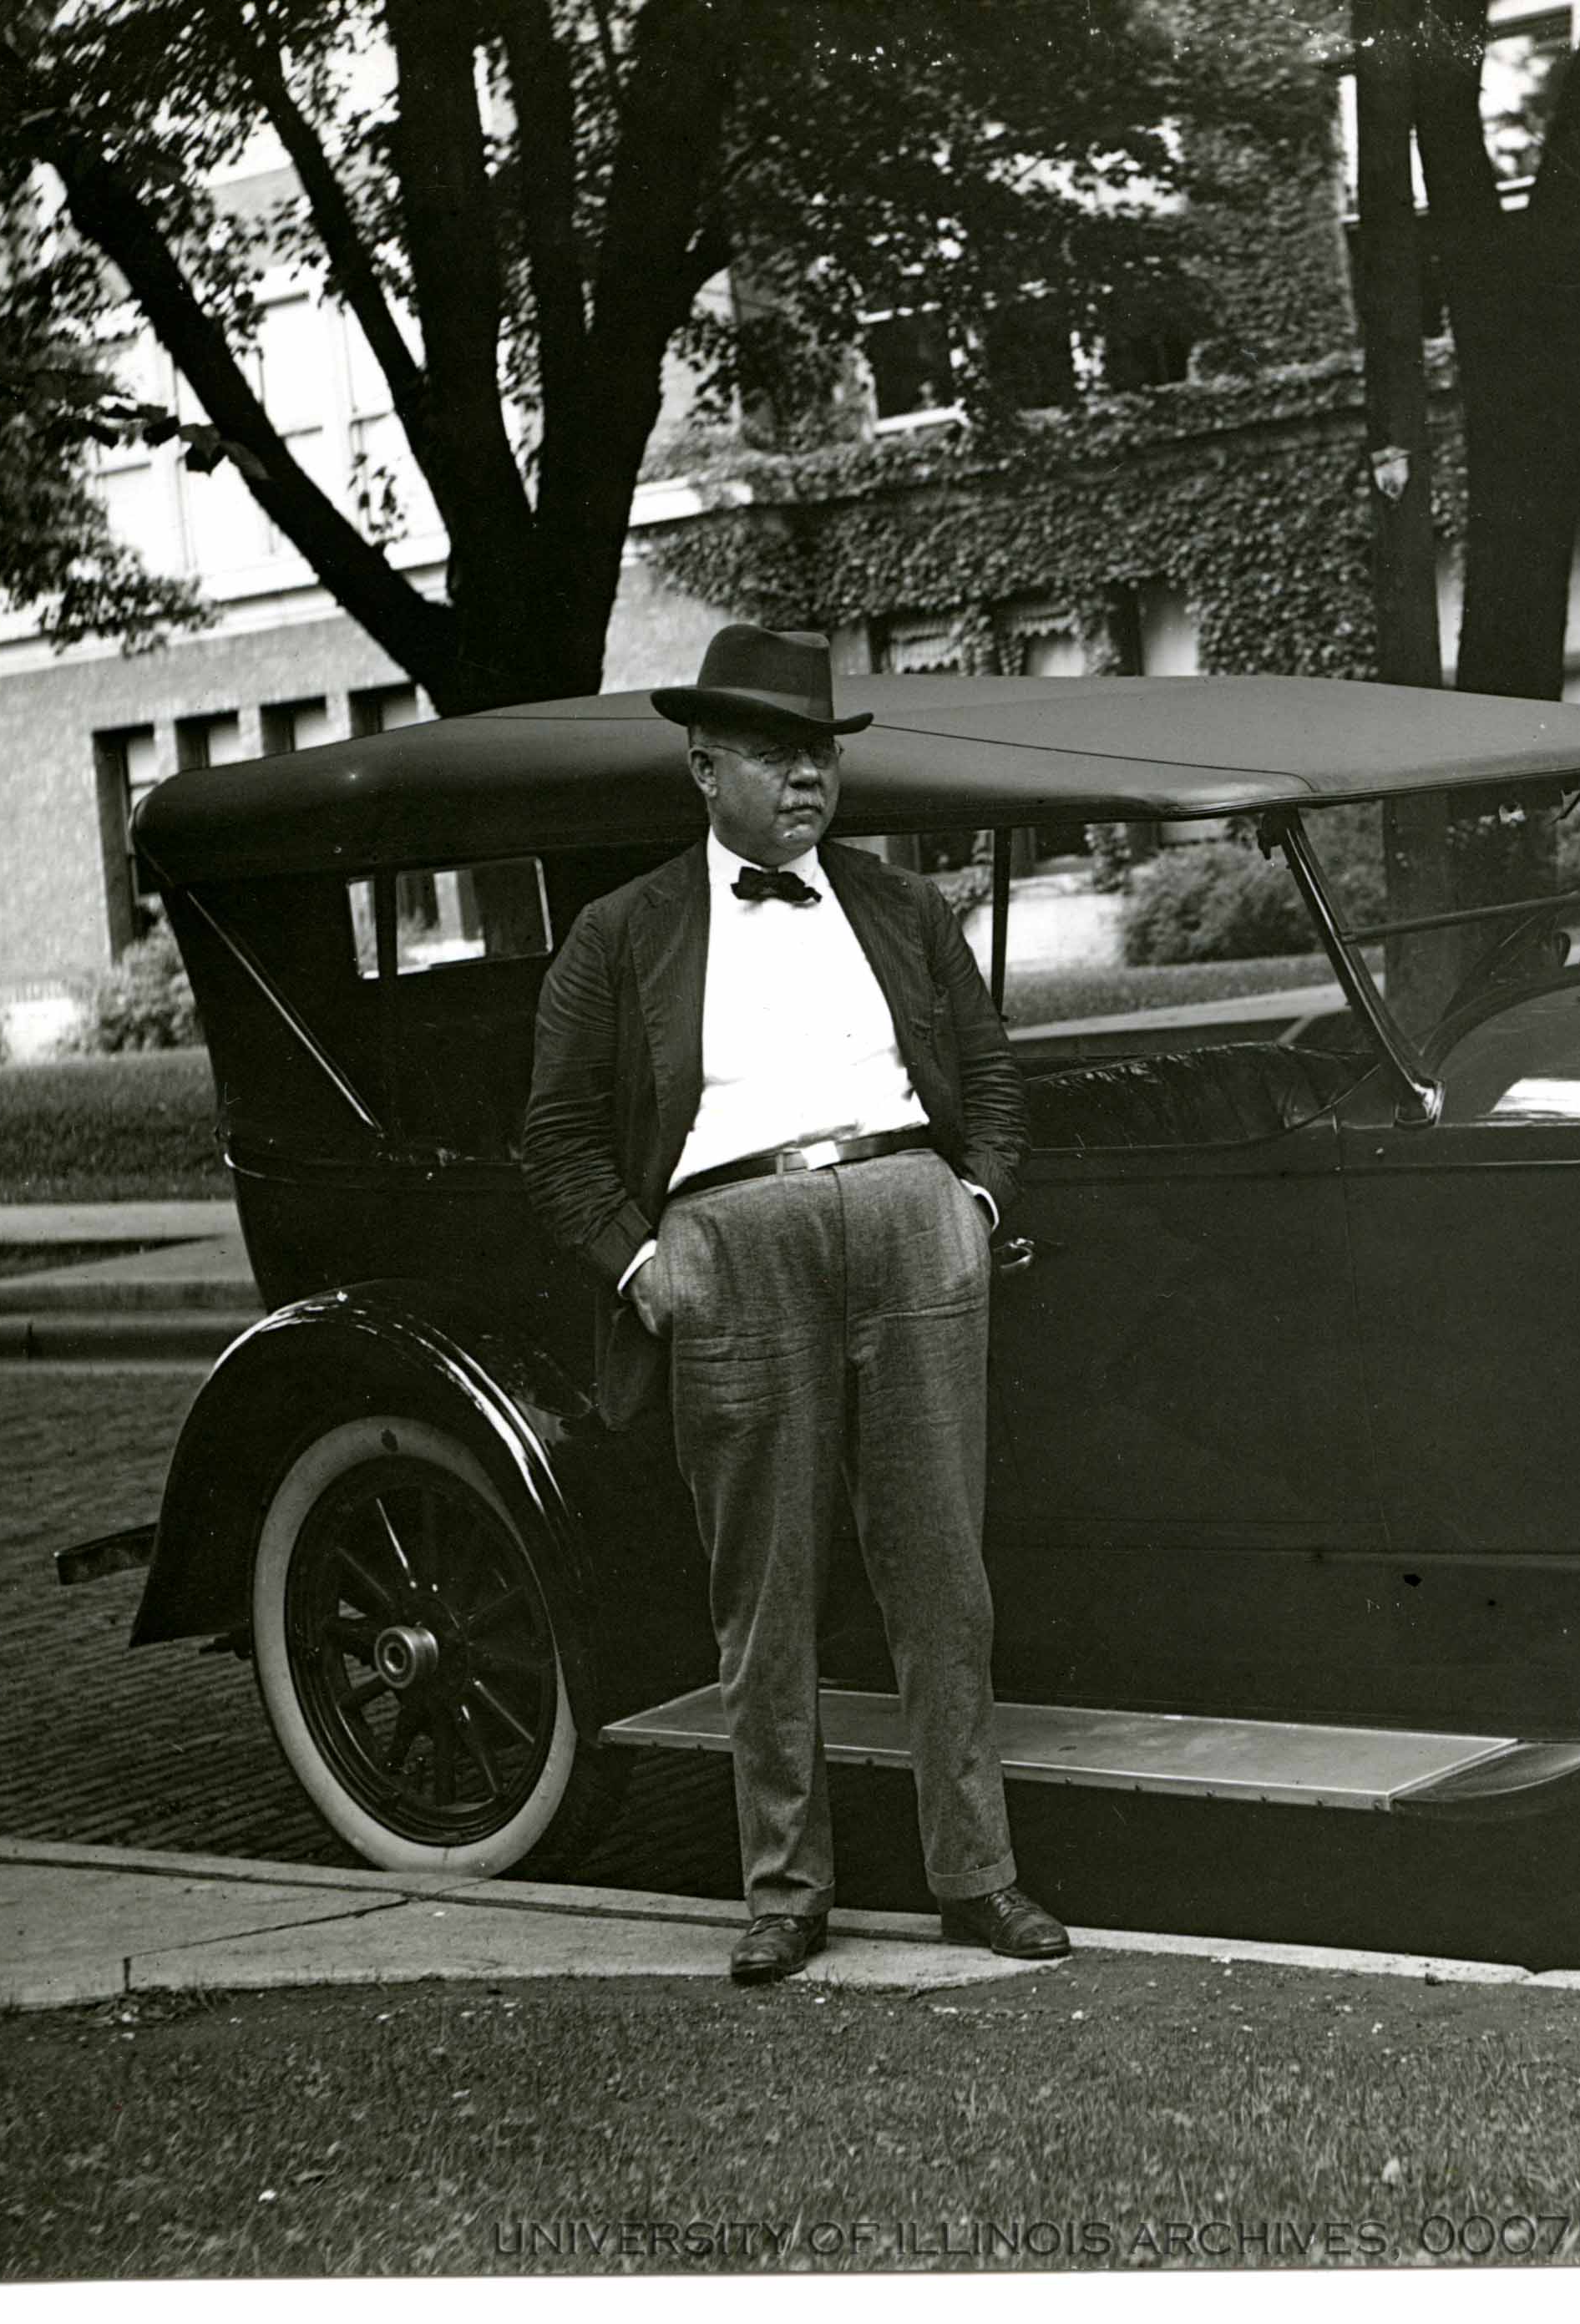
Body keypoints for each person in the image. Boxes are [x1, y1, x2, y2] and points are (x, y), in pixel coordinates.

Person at [520, 623, 1066, 1983]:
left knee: (942, 1578)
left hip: (908, 1225)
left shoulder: (901, 907)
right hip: (731, 1247)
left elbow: (993, 1080)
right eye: (773, 753)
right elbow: (557, 1140)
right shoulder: (622, 932)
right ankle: (783, 1889)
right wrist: (645, 1268)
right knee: (762, 1590)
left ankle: (978, 1878)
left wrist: (970, 1204)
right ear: (704, 769)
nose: (807, 775)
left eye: (819, 750)